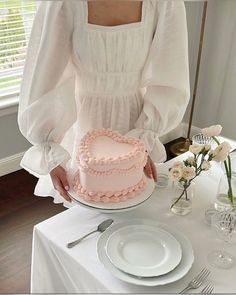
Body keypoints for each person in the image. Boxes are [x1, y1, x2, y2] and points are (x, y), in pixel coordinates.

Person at [18, 0, 190, 207]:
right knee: (85, 212)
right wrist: (50, 153)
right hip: (83, 125)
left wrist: (145, 137)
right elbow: (44, 80)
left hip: (134, 124)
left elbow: (170, 76)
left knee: (132, 207)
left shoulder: (165, 4)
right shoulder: (61, 5)